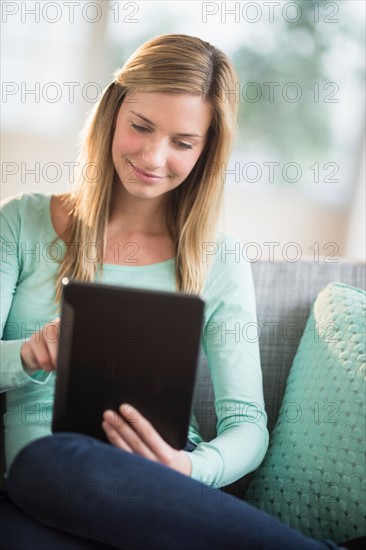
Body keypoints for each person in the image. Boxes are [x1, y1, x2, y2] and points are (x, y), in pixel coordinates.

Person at [0, 34, 347, 549]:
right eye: (140, 126)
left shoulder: (218, 257)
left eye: (183, 142)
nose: (153, 156)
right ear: (112, 113)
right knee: (48, 465)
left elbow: (247, 424)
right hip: (41, 481)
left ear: (206, 151)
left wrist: (185, 466)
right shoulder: (22, 223)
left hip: (163, 482)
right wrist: (28, 354)